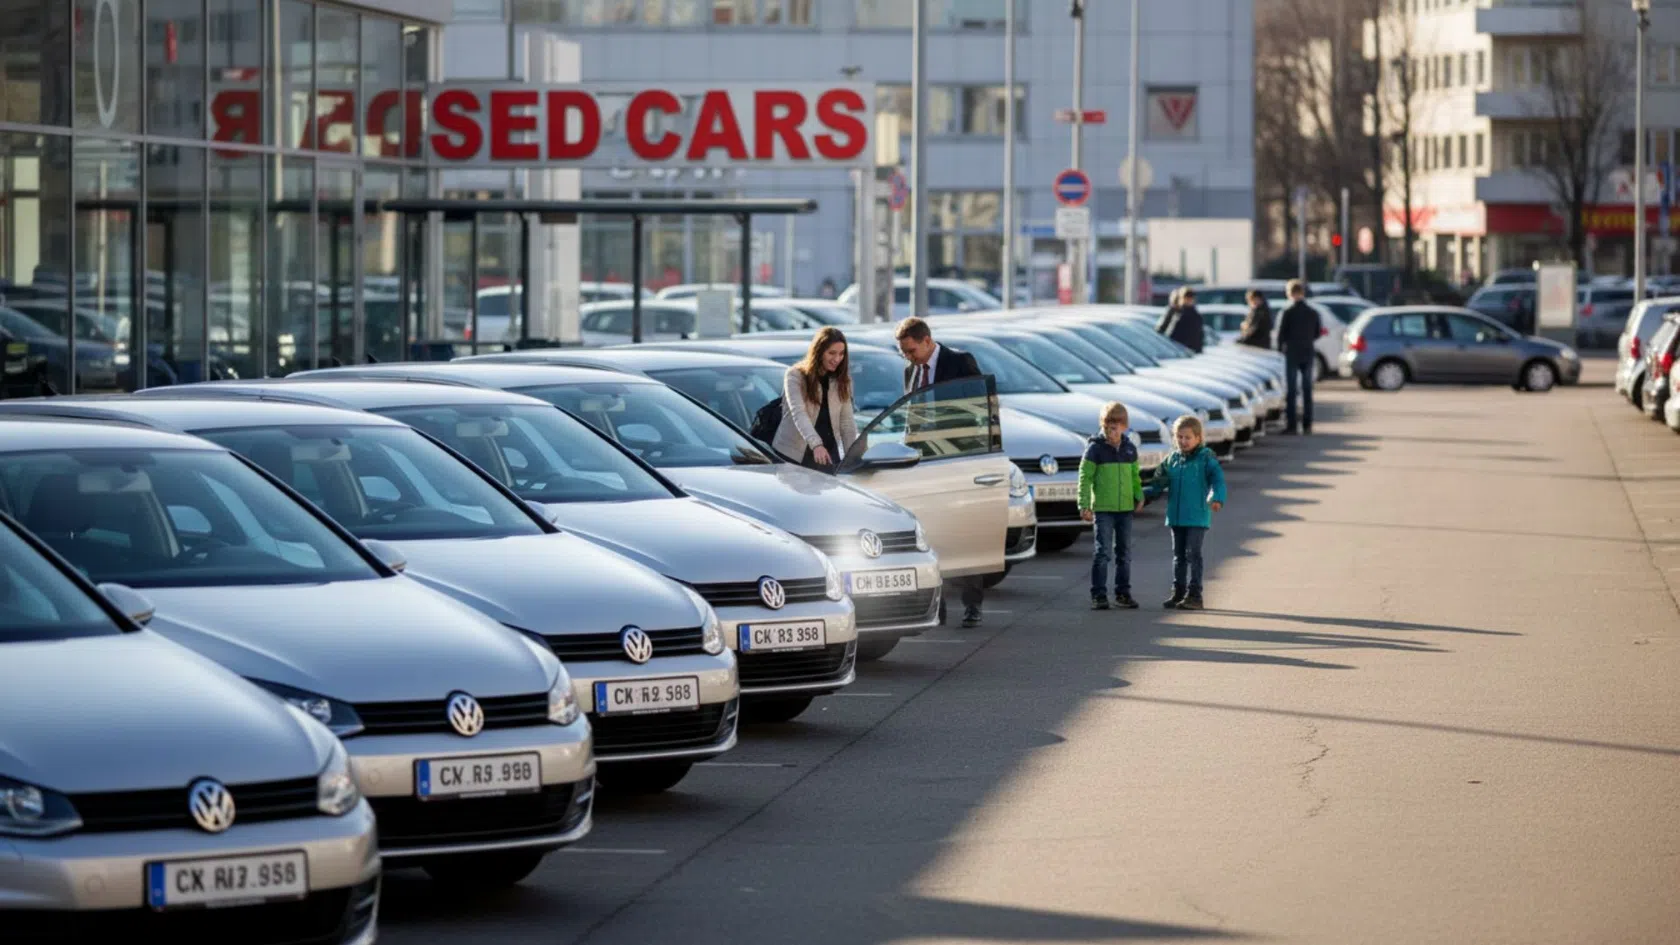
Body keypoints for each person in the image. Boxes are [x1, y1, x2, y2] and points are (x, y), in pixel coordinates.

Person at [896, 316, 986, 628]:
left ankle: (973, 604)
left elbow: (981, 407)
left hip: (958, 459)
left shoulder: (960, 362)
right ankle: (940, 604)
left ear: (926, 341)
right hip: (924, 461)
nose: (908, 357)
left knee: (965, 531)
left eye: (911, 350)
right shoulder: (910, 371)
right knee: (932, 531)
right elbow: (911, 412)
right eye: (904, 352)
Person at [1143, 416, 1226, 611]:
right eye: (1179, 437)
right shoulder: (1172, 459)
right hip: (1176, 516)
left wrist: (1216, 498)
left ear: (1198, 437)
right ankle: (1178, 592)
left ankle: (1195, 594)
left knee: (1193, 554)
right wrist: (1142, 496)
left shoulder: (1206, 458)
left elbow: (1218, 480)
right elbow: (1158, 482)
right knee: (1178, 556)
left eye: (1188, 437)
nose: (1183, 441)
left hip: (1197, 516)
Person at [1078, 401, 1145, 611]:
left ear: (1124, 426)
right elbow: (1085, 477)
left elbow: (1135, 476)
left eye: (1116, 425)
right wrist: (1084, 504)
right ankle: (1098, 594)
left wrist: (1139, 495)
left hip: (1124, 510)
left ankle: (1123, 593)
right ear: (1102, 425)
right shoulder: (1095, 449)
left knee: (1124, 552)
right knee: (1103, 552)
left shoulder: (1129, 449)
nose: (1111, 429)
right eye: (1108, 424)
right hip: (1103, 510)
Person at [772, 327, 859, 473]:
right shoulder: (795, 376)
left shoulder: (843, 381)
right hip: (793, 454)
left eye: (841, 354)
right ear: (818, 352)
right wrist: (816, 445)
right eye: (831, 353)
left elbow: (847, 422)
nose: (837, 359)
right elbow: (798, 413)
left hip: (827, 454)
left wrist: (854, 458)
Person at [1275, 279, 1319, 434]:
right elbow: (1317, 333)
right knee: (1307, 389)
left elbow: (1281, 334)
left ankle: (1292, 424)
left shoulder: (1288, 312)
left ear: (1290, 293)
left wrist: (1280, 348)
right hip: (1307, 352)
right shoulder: (1312, 312)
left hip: (1292, 353)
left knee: (1292, 390)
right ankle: (1307, 424)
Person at [1156, 286, 1206, 353]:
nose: (1189, 301)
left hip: (1190, 351)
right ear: (1181, 298)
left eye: (1191, 298)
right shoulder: (1174, 313)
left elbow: (1198, 336)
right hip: (1175, 349)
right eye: (1186, 298)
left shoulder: (1195, 315)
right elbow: (1163, 330)